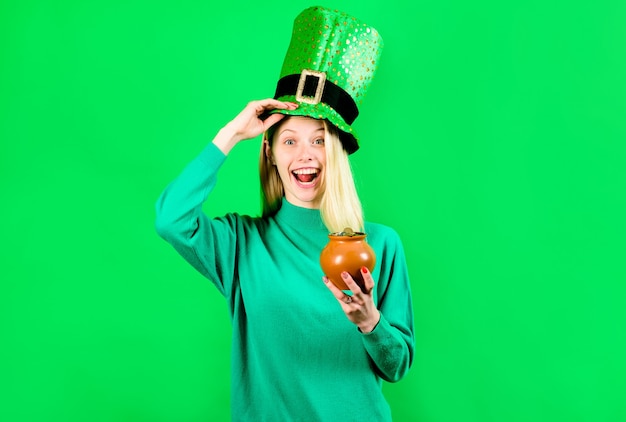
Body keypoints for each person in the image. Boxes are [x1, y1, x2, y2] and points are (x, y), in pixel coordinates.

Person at [155, 6, 414, 421]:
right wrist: (232, 133)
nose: (305, 155)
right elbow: (170, 218)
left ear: (336, 154)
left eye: (319, 141)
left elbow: (397, 364)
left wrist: (370, 321)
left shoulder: (380, 244)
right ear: (271, 154)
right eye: (289, 141)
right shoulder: (240, 245)